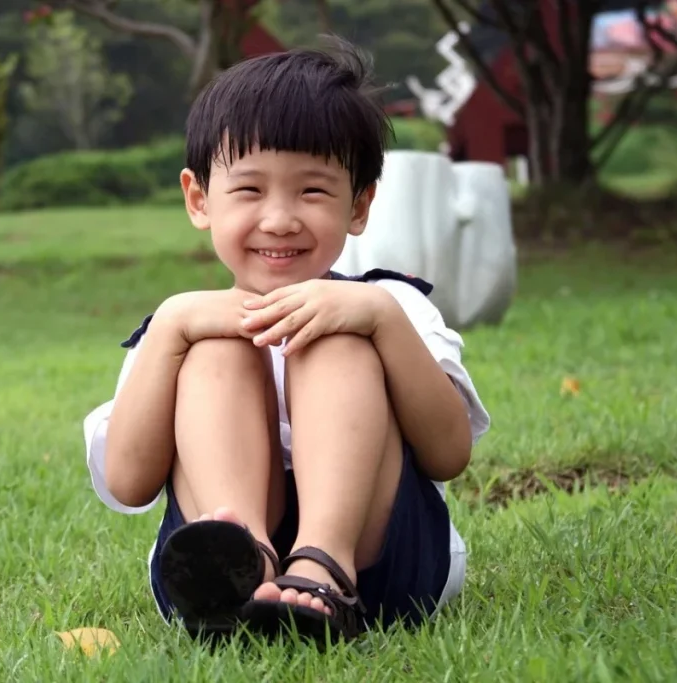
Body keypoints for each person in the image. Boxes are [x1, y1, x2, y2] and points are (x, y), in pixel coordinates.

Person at [82, 37, 490, 645]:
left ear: (360, 204)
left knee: (337, 336)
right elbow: (130, 483)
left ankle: (323, 564)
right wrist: (167, 327)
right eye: (249, 190)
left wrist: (378, 320)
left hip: (383, 573)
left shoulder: (390, 307)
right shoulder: (184, 328)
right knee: (216, 349)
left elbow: (447, 455)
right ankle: (241, 564)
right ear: (199, 199)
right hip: (210, 592)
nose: (279, 218)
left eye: (313, 191)